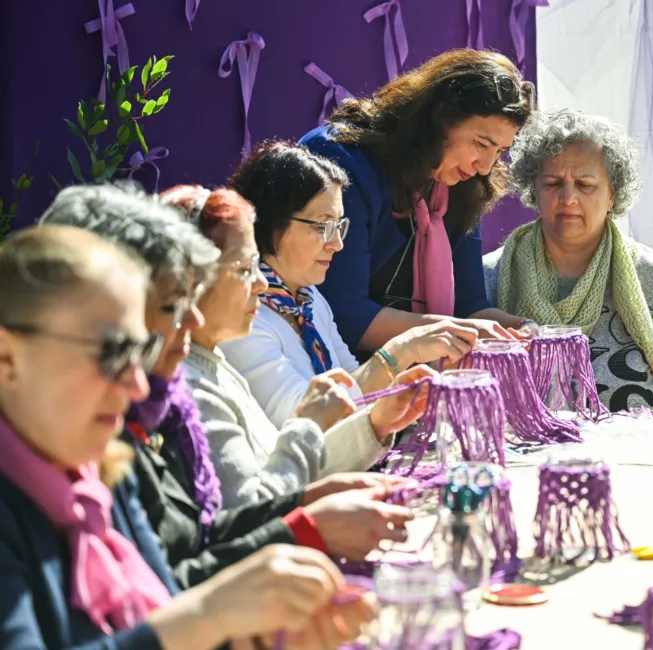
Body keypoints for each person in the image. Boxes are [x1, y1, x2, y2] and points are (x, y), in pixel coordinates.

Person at [0, 225, 371, 649]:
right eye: (112, 352)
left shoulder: (97, 472)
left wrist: (256, 634)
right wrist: (209, 616)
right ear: (9, 358)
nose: (138, 385)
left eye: (140, 352)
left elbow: (166, 601)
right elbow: (181, 617)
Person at [46, 182, 416, 591]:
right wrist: (304, 517)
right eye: (171, 304)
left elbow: (205, 535)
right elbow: (189, 566)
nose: (260, 283)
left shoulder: (206, 364)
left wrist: (372, 426)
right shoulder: (170, 390)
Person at [298, 48, 537, 361]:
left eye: (499, 152)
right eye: (481, 144)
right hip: (326, 372)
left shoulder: (464, 185)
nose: (484, 167)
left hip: (413, 381)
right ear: (438, 120)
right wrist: (455, 332)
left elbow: (469, 304)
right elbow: (343, 314)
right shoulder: (343, 161)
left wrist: (520, 329)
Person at [225, 141, 480, 432]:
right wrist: (399, 352)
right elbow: (302, 423)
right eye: (322, 226)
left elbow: (351, 380)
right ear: (270, 222)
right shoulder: (243, 317)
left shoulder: (309, 299)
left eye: (339, 225)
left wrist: (400, 395)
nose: (337, 244)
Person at [483, 108, 653, 412]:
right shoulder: (490, 276)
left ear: (612, 196)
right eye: (552, 183)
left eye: (585, 184)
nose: (568, 198)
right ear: (532, 190)